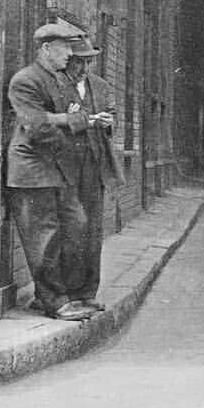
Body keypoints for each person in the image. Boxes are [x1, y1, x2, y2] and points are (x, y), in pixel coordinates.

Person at [5, 19, 99, 322]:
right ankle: (54, 301)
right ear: (46, 49)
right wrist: (69, 122)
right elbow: (37, 127)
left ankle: (68, 294)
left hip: (55, 169)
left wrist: (67, 120)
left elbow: (75, 117)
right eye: (64, 50)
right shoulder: (26, 80)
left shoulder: (57, 80)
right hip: (32, 171)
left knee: (78, 226)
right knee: (44, 237)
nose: (70, 56)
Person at [62, 34, 122, 313]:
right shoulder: (58, 85)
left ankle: (88, 292)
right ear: (68, 61)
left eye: (87, 62)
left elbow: (111, 118)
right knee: (71, 228)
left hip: (95, 165)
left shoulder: (100, 86)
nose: (83, 68)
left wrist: (108, 122)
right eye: (78, 62)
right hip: (65, 166)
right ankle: (66, 293)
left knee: (93, 230)